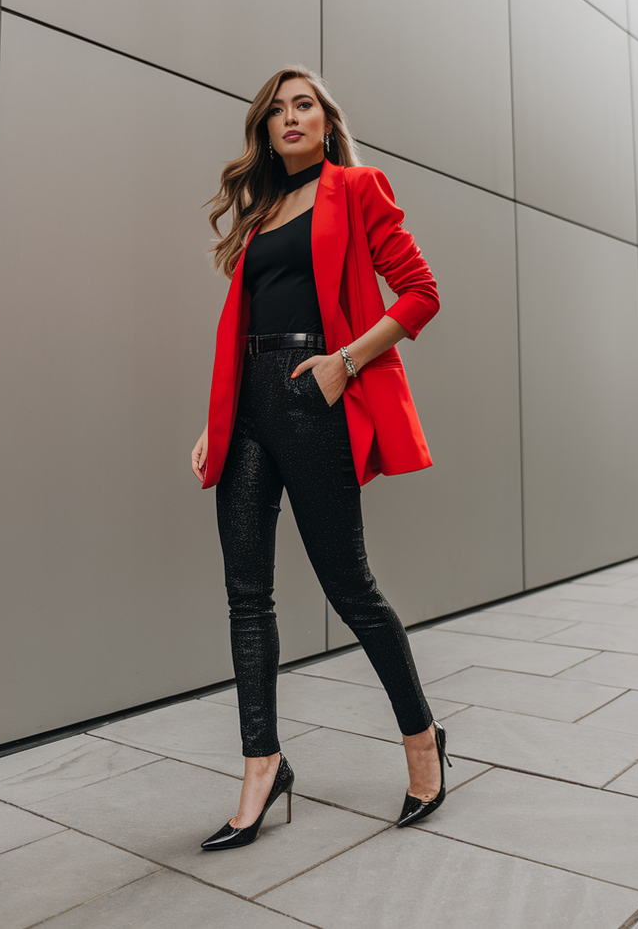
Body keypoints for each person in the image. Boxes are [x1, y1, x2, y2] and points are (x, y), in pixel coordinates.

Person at [191, 66, 450, 851]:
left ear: (326, 120)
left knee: (350, 587)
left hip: (313, 393)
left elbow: (420, 292)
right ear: (265, 132)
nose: (290, 117)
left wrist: (344, 363)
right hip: (247, 407)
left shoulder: (358, 186)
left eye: (304, 104)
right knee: (246, 596)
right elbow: (240, 324)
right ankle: (263, 764)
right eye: (276, 111)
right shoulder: (261, 209)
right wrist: (216, 418)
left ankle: (421, 739)